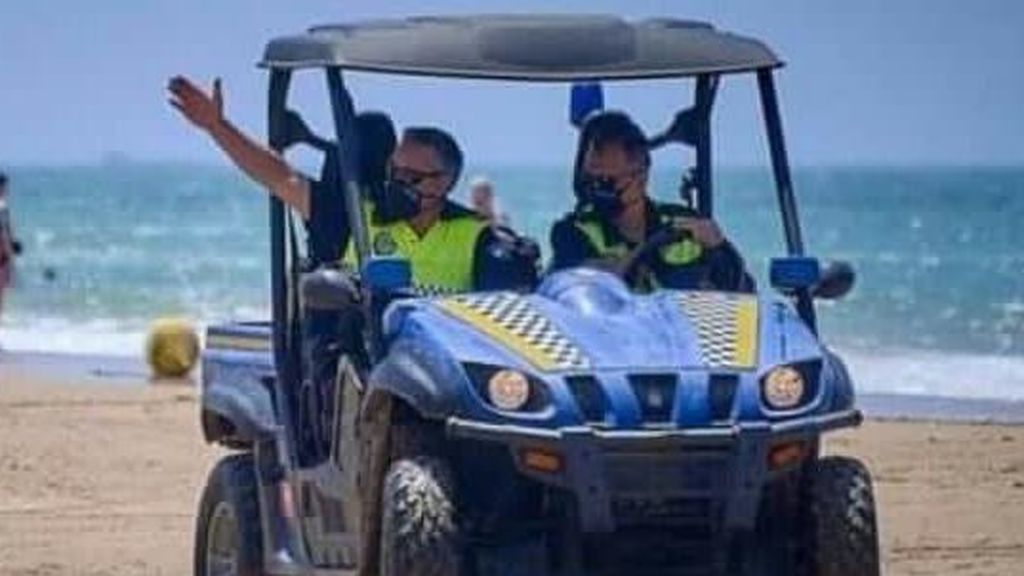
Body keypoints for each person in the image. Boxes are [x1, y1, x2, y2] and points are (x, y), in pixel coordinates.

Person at [167, 76, 537, 294]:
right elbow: (280, 176)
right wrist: (217, 126)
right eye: (395, 171)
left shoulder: (474, 235)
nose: (399, 183)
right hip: (361, 368)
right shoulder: (354, 216)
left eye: (413, 177)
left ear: (445, 183)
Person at [549, 111, 750, 292]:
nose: (595, 189)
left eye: (606, 182)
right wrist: (649, 246)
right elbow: (585, 283)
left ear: (640, 176)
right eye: (591, 179)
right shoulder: (571, 233)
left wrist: (719, 247)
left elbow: (740, 291)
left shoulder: (686, 223)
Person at [0, 172, 20, 328]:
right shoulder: (2, 206)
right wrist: (12, 246)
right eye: (5, 187)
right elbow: (5, 230)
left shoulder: (3, 206)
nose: (7, 190)